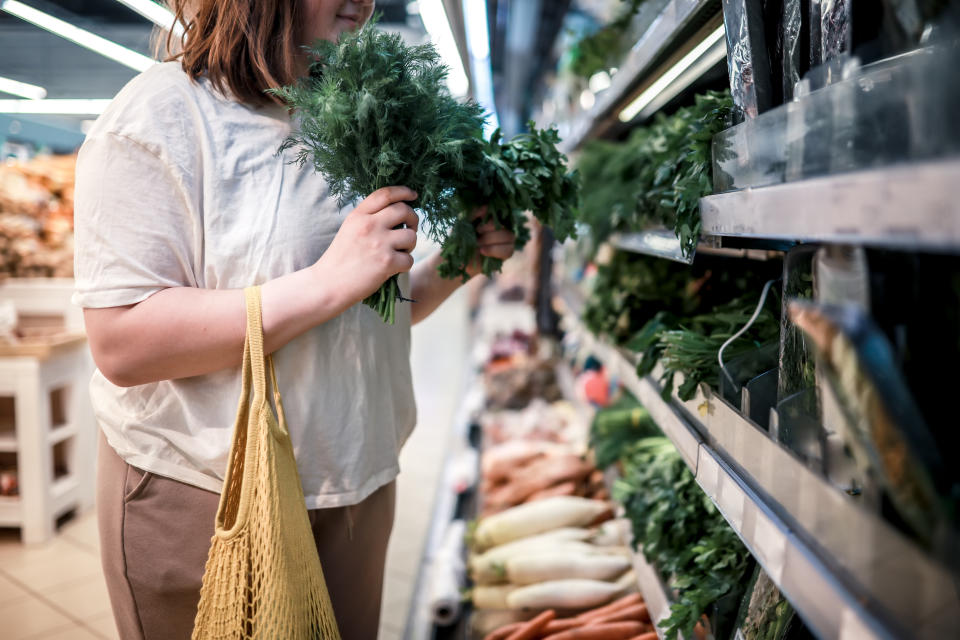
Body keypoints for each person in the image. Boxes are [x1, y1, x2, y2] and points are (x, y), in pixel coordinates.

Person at [72, 1, 515, 638]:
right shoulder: (158, 119)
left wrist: (458, 263)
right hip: (211, 491)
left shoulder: (341, 115)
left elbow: (356, 319)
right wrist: (326, 281)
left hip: (355, 482)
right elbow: (122, 341)